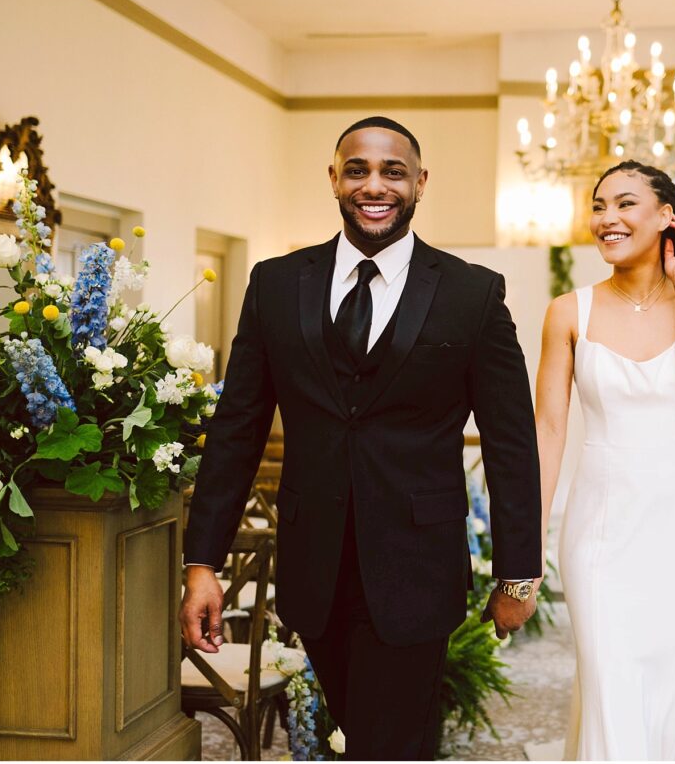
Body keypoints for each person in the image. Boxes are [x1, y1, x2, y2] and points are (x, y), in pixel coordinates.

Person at [179, 116, 542, 760]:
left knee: (391, 744)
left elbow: (510, 441)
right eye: (358, 169)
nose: (375, 185)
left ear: (420, 183)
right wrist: (202, 561)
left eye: (393, 171)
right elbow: (237, 427)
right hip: (312, 567)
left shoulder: (472, 293)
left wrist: (517, 576)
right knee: (346, 734)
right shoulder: (275, 283)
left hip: (417, 568)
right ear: (335, 179)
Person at [534, 160, 675, 760]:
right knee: (608, 682)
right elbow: (547, 430)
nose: (607, 218)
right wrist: (524, 550)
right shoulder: (569, 311)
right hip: (600, 528)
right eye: (598, 206)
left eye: (624, 203)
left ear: (666, 217)